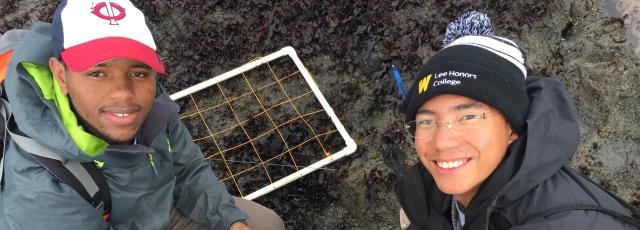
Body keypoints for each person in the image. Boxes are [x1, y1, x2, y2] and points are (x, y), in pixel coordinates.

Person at [0, 0, 284, 229]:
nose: (124, 93)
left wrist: (230, 221)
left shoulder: (151, 97)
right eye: (97, 73)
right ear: (60, 75)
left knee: (266, 224)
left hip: (159, 207)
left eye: (138, 71)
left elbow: (188, 168)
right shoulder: (40, 197)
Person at [394, 11, 640, 229]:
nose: (442, 142)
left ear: (513, 127)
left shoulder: (565, 222)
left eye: (468, 116)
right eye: (427, 121)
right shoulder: (431, 191)